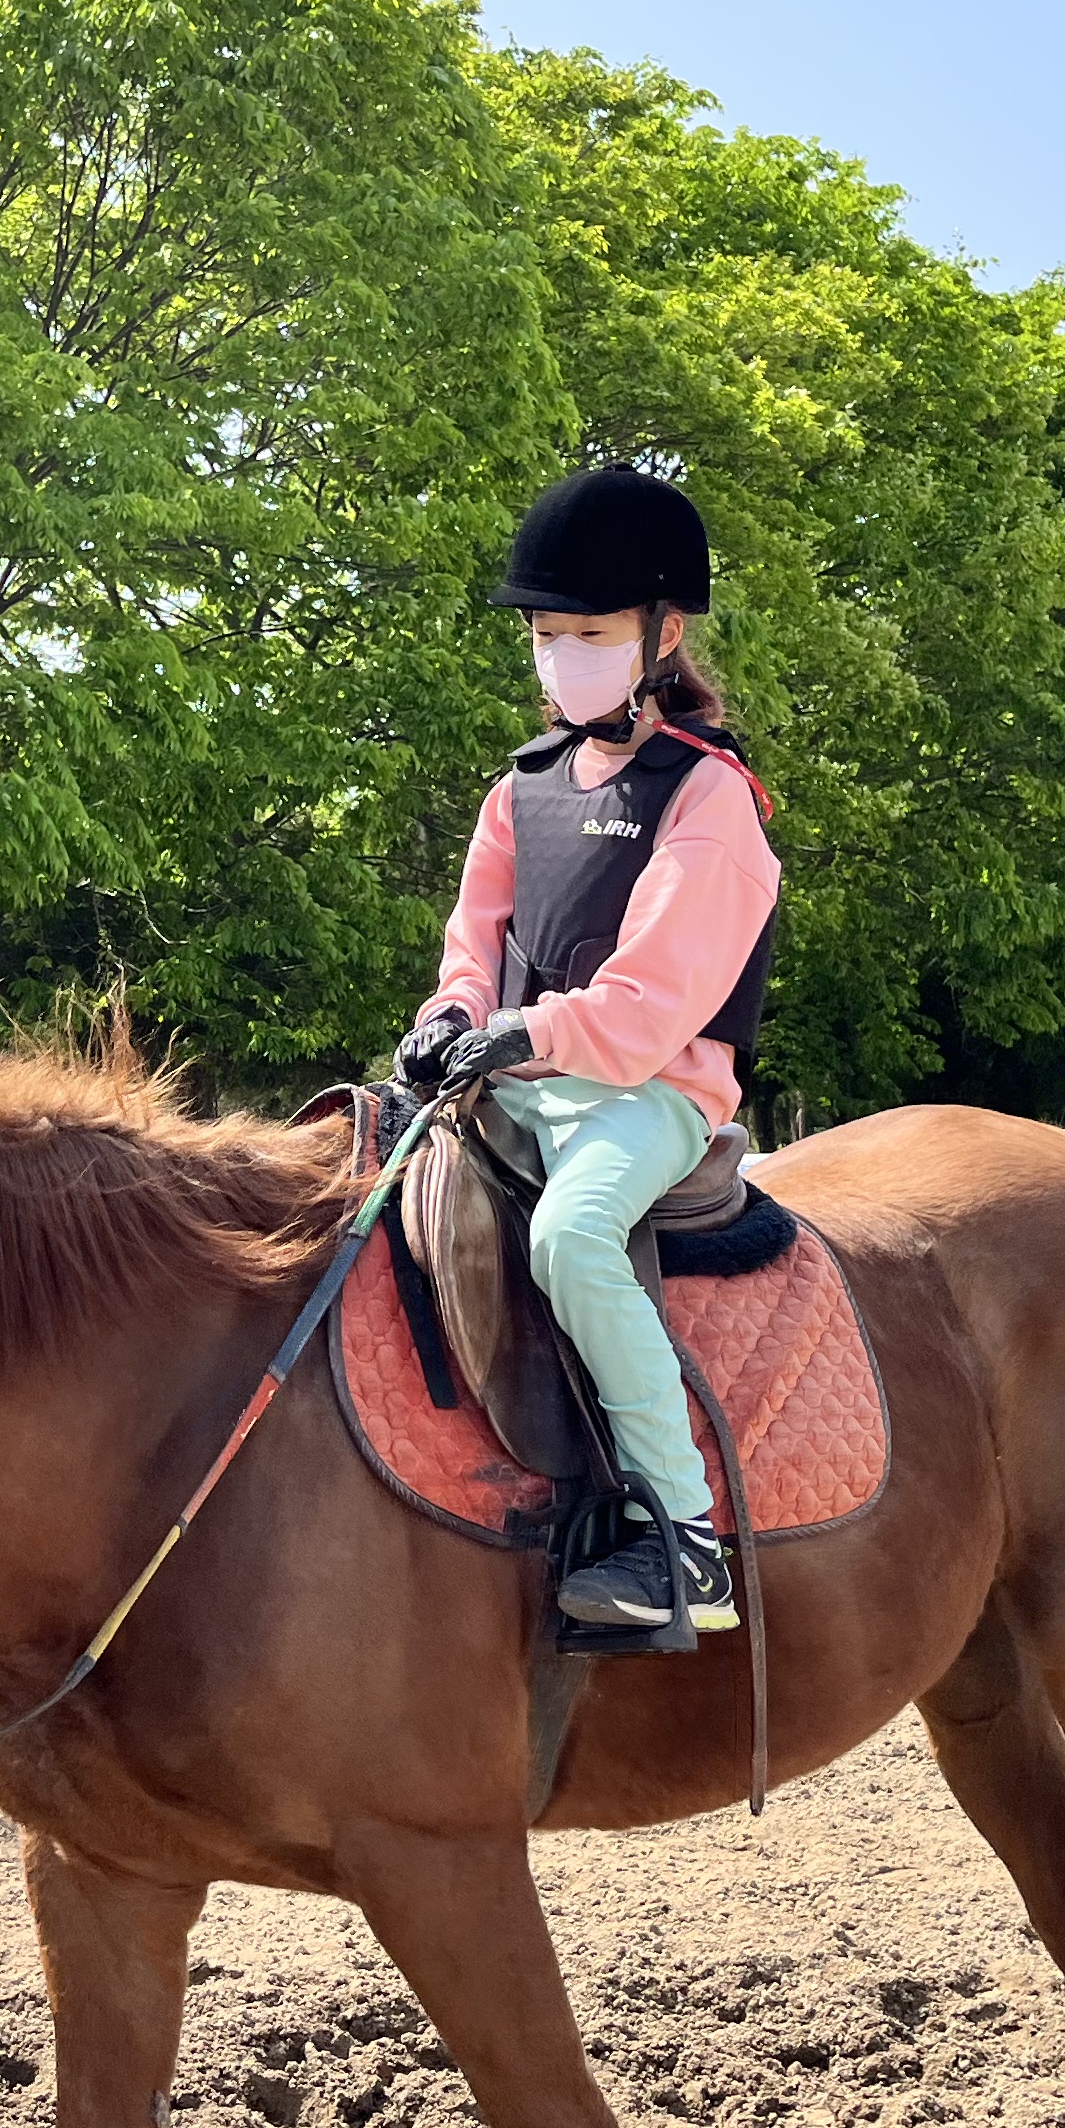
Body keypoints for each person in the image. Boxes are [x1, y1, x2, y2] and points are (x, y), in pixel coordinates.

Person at [395, 466, 783, 1638]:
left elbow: (652, 1002)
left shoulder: (711, 800)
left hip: (646, 1096)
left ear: (660, 636)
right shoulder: (520, 790)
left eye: (591, 633)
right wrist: (450, 1020)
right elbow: (475, 941)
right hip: (515, 1080)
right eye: (548, 634)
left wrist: (528, 1032)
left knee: (570, 1236)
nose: (564, 654)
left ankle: (684, 1535)